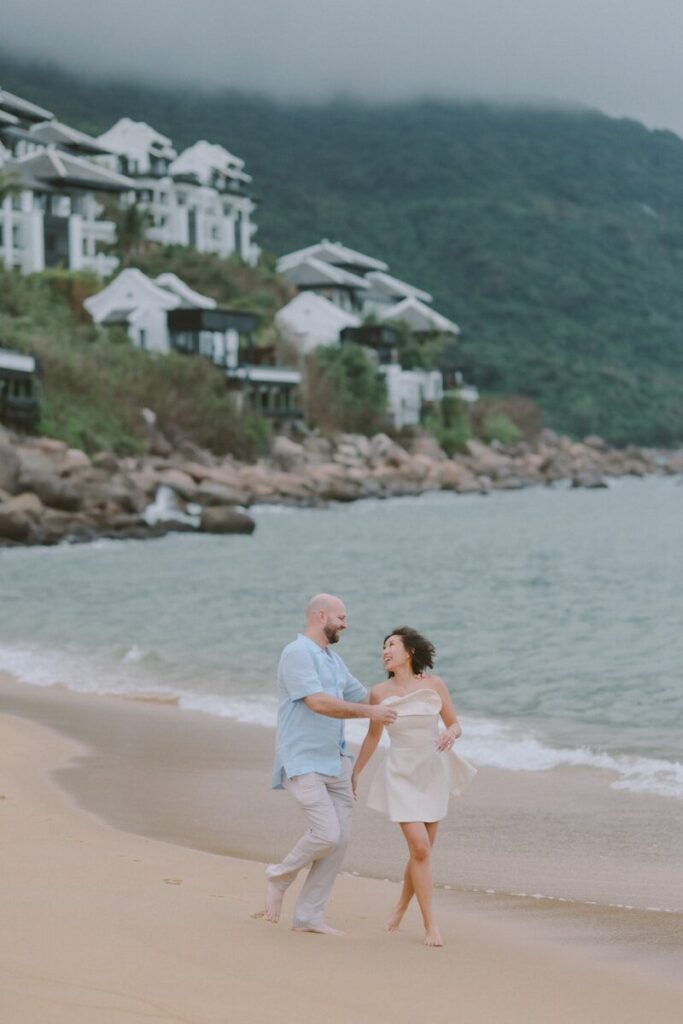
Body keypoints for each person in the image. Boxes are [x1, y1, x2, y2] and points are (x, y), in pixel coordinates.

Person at [264, 593, 397, 935]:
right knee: (326, 833)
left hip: (336, 762)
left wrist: (407, 684)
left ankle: (308, 916)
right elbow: (319, 704)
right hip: (302, 759)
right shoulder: (297, 653)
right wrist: (371, 712)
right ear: (321, 616)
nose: (345, 624)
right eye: (341, 617)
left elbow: (366, 697)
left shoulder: (333, 660)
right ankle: (279, 876)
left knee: (340, 841)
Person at [351, 626, 476, 947]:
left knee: (422, 853)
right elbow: (373, 737)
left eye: (391, 644)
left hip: (432, 771)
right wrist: (355, 773)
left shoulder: (434, 685)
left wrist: (452, 734)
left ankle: (402, 905)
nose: (385, 650)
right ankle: (430, 925)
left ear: (409, 652)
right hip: (400, 773)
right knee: (420, 848)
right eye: (383, 646)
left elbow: (455, 723)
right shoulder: (379, 693)